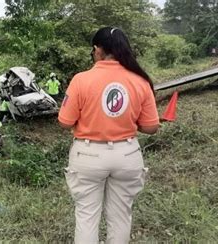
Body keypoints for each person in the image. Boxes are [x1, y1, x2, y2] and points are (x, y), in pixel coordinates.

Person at [58, 27, 159, 244]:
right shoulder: (140, 80)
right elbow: (151, 127)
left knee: (87, 216)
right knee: (121, 216)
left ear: (97, 49)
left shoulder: (81, 80)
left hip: (88, 156)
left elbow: (65, 122)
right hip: (127, 155)